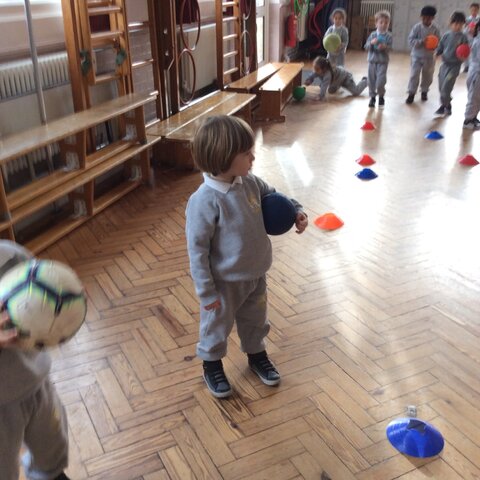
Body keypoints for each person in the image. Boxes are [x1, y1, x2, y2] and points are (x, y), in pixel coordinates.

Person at [185, 116, 308, 398]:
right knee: (216, 327)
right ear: (223, 157)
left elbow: (276, 197)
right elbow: (197, 252)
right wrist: (206, 292)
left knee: (256, 320)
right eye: (246, 153)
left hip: (256, 273)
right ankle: (212, 364)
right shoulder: (204, 201)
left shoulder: (249, 182)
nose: (253, 157)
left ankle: (256, 354)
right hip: (223, 284)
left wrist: (296, 211)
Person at [0, 241, 69, 480]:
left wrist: (66, 298)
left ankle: (49, 475)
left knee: (52, 447)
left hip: (36, 383)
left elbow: (44, 286)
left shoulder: (10, 256)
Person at [435, 11, 469, 116]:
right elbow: (440, 47)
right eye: (456, 23)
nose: (458, 26)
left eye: (461, 24)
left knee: (446, 86)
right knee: (441, 87)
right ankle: (446, 105)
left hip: (454, 67)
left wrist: (463, 57)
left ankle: (445, 106)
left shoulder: (463, 37)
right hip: (444, 65)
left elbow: (466, 51)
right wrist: (437, 53)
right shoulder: (446, 35)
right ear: (450, 23)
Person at [405, 6, 441, 104]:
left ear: (433, 18)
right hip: (416, 56)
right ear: (421, 17)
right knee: (414, 75)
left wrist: (436, 48)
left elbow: (439, 41)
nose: (426, 20)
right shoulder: (417, 27)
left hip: (429, 57)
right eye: (424, 17)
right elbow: (410, 41)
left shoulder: (435, 29)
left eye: (429, 18)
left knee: (428, 76)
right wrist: (422, 41)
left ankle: (424, 91)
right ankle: (411, 93)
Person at [364, 10, 393, 108]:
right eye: (381, 22)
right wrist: (371, 43)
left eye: (386, 23)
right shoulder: (373, 35)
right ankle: (372, 97)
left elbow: (391, 48)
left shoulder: (389, 36)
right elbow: (366, 47)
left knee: (381, 81)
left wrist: (385, 47)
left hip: (382, 62)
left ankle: (381, 96)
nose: (383, 25)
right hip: (372, 62)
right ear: (376, 23)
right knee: (371, 81)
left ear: (388, 24)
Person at [464, 22, 480, 128]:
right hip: (477, 73)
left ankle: (473, 117)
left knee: (477, 97)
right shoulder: (478, 41)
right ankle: (468, 120)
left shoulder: (477, 38)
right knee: (474, 97)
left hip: (476, 72)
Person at [463, 3, 480, 72]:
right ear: (470, 10)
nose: (473, 12)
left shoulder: (479, 19)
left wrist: (475, 30)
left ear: (478, 10)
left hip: (477, 38)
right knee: (467, 52)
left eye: (475, 10)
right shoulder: (467, 19)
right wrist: (468, 30)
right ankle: (466, 66)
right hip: (468, 38)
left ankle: (474, 65)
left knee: (475, 52)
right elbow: (464, 29)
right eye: (472, 10)